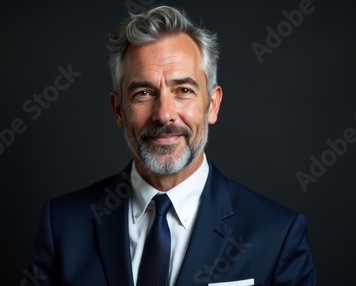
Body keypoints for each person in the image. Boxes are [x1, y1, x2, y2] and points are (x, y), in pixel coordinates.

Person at [24, 5, 316, 286]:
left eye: (184, 90)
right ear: (118, 111)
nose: (164, 114)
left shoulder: (277, 235)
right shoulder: (63, 225)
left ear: (212, 105)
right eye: (143, 92)